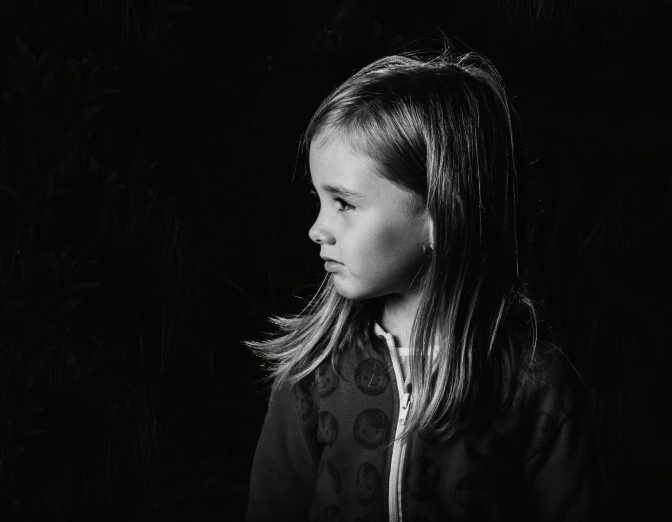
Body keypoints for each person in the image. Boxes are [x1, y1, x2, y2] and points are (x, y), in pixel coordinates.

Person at [243, 38, 608, 522]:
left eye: (345, 204)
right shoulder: (313, 372)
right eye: (318, 200)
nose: (316, 229)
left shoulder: (535, 388)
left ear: (439, 216)